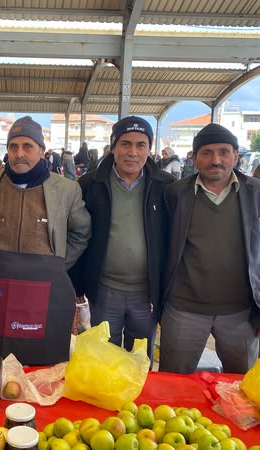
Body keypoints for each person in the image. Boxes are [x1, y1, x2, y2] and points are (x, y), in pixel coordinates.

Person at [0, 115, 91, 365]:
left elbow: (81, 233)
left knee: (41, 365)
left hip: (43, 291)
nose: (19, 154)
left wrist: (56, 266)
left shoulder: (67, 190)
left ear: (41, 150)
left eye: (28, 146)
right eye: (13, 147)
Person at [159, 123, 260, 374]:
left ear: (236, 156)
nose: (215, 160)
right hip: (184, 310)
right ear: (193, 158)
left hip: (241, 312)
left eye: (224, 152)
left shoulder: (258, 191)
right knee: (175, 384)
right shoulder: (175, 193)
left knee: (242, 389)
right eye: (206, 153)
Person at [69, 116, 175, 361]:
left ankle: (138, 401)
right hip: (105, 292)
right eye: (125, 144)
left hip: (146, 295)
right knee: (105, 358)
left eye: (141, 145)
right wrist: (78, 285)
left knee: (140, 360)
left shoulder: (166, 187)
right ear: (113, 146)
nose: (133, 152)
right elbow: (76, 235)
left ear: (150, 149)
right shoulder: (90, 184)